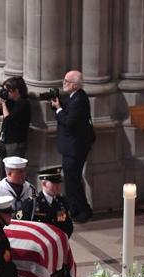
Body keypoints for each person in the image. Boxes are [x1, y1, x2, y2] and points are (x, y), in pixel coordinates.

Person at [52, 70, 95, 223]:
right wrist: (59, 107)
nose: (64, 83)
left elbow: (69, 123)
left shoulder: (79, 100)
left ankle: (83, 211)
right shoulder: (75, 97)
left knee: (73, 180)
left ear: (75, 85)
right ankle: (76, 209)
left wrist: (58, 109)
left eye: (67, 81)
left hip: (75, 148)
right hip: (73, 147)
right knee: (71, 180)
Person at [0, 77, 31, 178]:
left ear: (17, 90)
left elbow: (8, 119)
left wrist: (3, 103)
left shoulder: (23, 104)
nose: (6, 93)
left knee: (13, 172)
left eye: (8, 90)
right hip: (5, 140)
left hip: (15, 143)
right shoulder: (10, 101)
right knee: (3, 171)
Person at [25, 165, 73, 238]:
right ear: (44, 184)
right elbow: (24, 226)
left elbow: (67, 225)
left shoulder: (61, 201)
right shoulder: (32, 203)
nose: (58, 186)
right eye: (55, 183)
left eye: (59, 183)